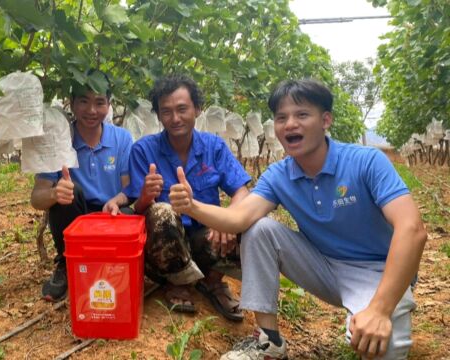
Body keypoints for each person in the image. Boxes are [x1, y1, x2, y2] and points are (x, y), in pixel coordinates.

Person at [169, 79, 427, 359]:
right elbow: (239, 219)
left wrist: (379, 310)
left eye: (302, 115)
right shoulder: (279, 175)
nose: (290, 124)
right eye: (281, 118)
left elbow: (412, 229)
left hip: (378, 272)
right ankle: (269, 342)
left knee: (381, 347)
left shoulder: (366, 162)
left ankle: (387, 307)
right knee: (260, 229)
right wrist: (192, 206)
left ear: (325, 120)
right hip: (323, 266)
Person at [123, 74, 251, 321]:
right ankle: (177, 281)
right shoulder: (143, 150)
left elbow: (242, 192)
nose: (175, 118)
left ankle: (212, 280)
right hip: (163, 253)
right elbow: (136, 212)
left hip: (206, 239)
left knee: (251, 219)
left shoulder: (214, 147)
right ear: (159, 116)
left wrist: (227, 219)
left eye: (182, 109)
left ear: (197, 109)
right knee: (162, 212)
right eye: (166, 111)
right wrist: (144, 197)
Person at [30, 71, 133, 302]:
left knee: (127, 212)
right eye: (84, 101)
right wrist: (55, 193)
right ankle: (67, 262)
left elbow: (129, 190)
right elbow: (37, 198)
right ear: (72, 103)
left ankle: (113, 264)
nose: (92, 111)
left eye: (99, 103)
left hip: (110, 215)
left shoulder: (122, 139)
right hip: (77, 219)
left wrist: (117, 201)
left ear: (109, 104)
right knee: (67, 191)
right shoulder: (59, 140)